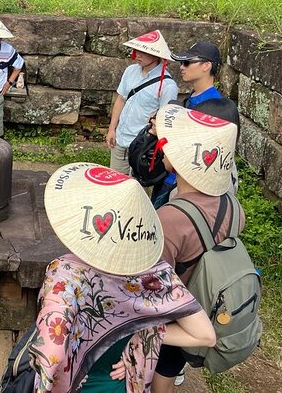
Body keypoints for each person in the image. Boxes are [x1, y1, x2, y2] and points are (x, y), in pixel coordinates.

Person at [30, 162, 216, 393]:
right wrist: (142, 332)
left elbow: (52, 354)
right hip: (122, 382)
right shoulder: (155, 274)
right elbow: (205, 335)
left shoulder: (64, 274)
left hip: (83, 383)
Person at [151, 104, 244, 393]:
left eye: (169, 144)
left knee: (159, 375)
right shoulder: (233, 205)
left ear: (180, 160)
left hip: (178, 314)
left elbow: (153, 284)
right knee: (171, 367)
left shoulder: (170, 219)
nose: (162, 147)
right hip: (208, 302)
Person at [150, 41, 224, 208]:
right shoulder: (193, 97)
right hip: (170, 175)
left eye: (187, 62)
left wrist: (163, 132)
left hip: (183, 184)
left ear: (206, 66)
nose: (182, 67)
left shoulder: (213, 105)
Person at [106, 30, 178, 175]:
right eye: (137, 50)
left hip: (142, 144)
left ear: (157, 55)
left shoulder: (167, 86)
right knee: (114, 183)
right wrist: (112, 129)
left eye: (144, 51)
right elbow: (121, 99)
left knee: (138, 189)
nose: (138, 54)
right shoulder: (130, 71)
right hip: (121, 138)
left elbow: (164, 121)